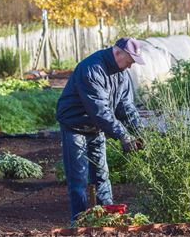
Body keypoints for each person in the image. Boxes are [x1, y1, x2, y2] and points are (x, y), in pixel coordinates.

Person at [56, 37, 145, 223]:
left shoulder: (121, 73)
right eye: (130, 61)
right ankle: (78, 224)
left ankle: (107, 221)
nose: (130, 67)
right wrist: (122, 134)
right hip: (75, 126)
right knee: (78, 178)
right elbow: (99, 110)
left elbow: (125, 106)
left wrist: (140, 131)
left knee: (102, 175)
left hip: (97, 128)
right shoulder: (92, 69)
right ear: (118, 52)